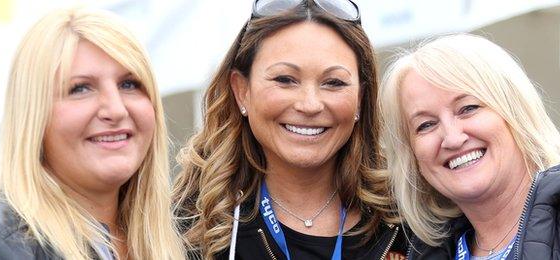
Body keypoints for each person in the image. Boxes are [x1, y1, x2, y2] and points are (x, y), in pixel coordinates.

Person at [173, 0, 406, 259]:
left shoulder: (412, 220)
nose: (309, 105)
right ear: (242, 91)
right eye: (285, 80)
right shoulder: (187, 229)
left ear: (360, 99)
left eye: (333, 82)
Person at [380, 33, 560, 259]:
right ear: (411, 154)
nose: (452, 138)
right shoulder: (424, 252)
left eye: (468, 108)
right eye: (426, 125)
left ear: (515, 110)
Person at [0, 8, 186, 260]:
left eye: (129, 84)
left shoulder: (182, 238)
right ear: (33, 115)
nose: (115, 109)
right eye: (80, 88)